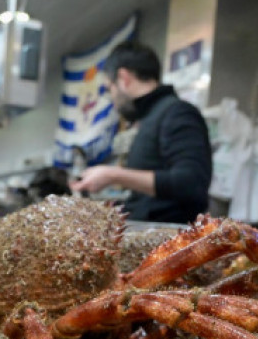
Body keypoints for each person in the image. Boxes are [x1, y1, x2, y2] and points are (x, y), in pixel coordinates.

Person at [70, 40, 212, 224]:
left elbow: (191, 182)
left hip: (169, 241)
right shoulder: (150, 118)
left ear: (124, 78)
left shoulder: (177, 112)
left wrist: (113, 175)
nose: (112, 98)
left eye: (109, 88)